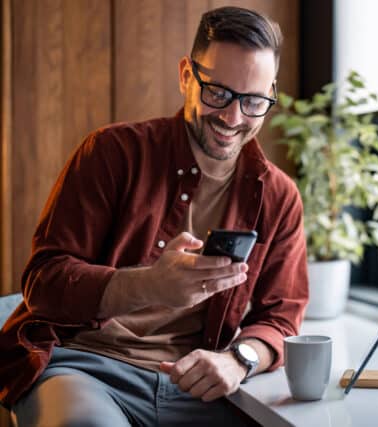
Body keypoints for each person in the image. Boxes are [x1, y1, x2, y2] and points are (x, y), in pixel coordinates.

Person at [0, 6, 308, 426]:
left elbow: (281, 316)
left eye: (253, 101)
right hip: (84, 367)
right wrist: (148, 286)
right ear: (186, 76)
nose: (233, 118)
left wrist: (239, 360)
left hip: (196, 387)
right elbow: (44, 283)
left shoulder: (279, 196)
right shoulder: (111, 153)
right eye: (217, 92)